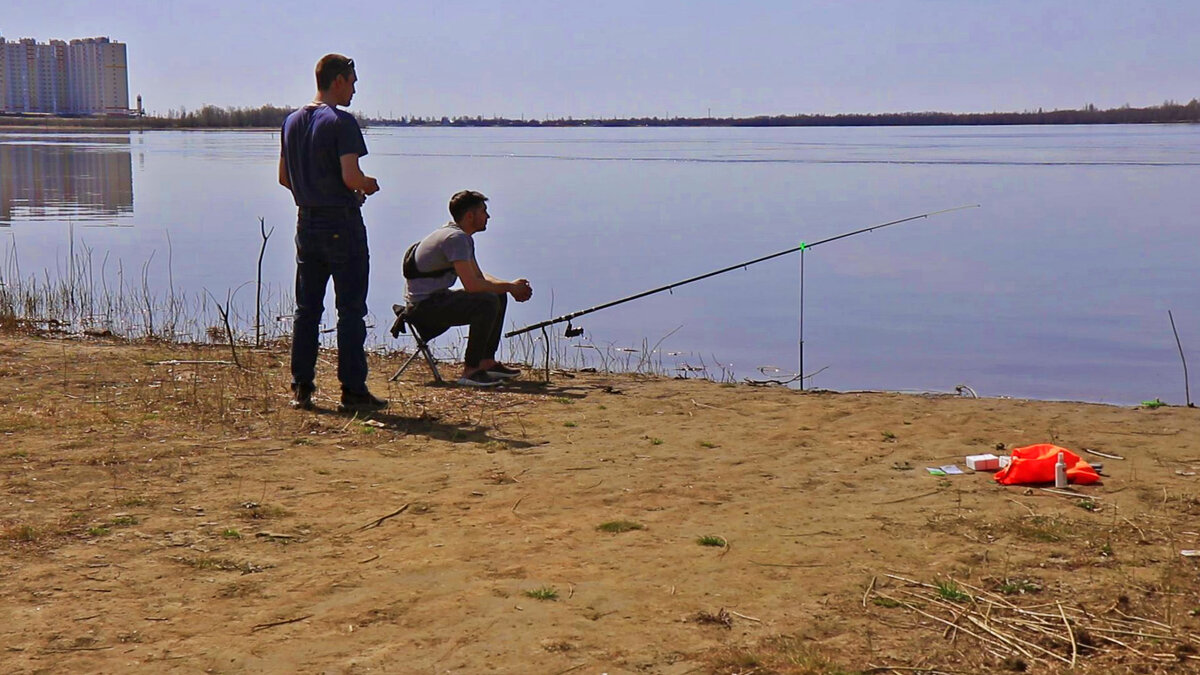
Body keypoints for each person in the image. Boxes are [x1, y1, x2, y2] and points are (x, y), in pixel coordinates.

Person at [279, 53, 386, 412]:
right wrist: (367, 186)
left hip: (306, 223)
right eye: (353, 81)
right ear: (338, 80)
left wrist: (311, 192)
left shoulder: (292, 122)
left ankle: (302, 388)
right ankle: (353, 391)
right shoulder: (341, 122)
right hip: (341, 223)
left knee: (307, 310)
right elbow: (351, 177)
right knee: (350, 310)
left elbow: (284, 178)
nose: (355, 89)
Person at [399, 190, 532, 387]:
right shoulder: (456, 239)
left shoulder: (459, 235)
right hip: (423, 309)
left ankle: (486, 362)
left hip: (434, 301)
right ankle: (471, 371)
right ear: (470, 216)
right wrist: (511, 287)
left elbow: (479, 276)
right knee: (486, 301)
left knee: (498, 294)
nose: (488, 216)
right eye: (483, 211)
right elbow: (472, 286)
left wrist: (509, 287)